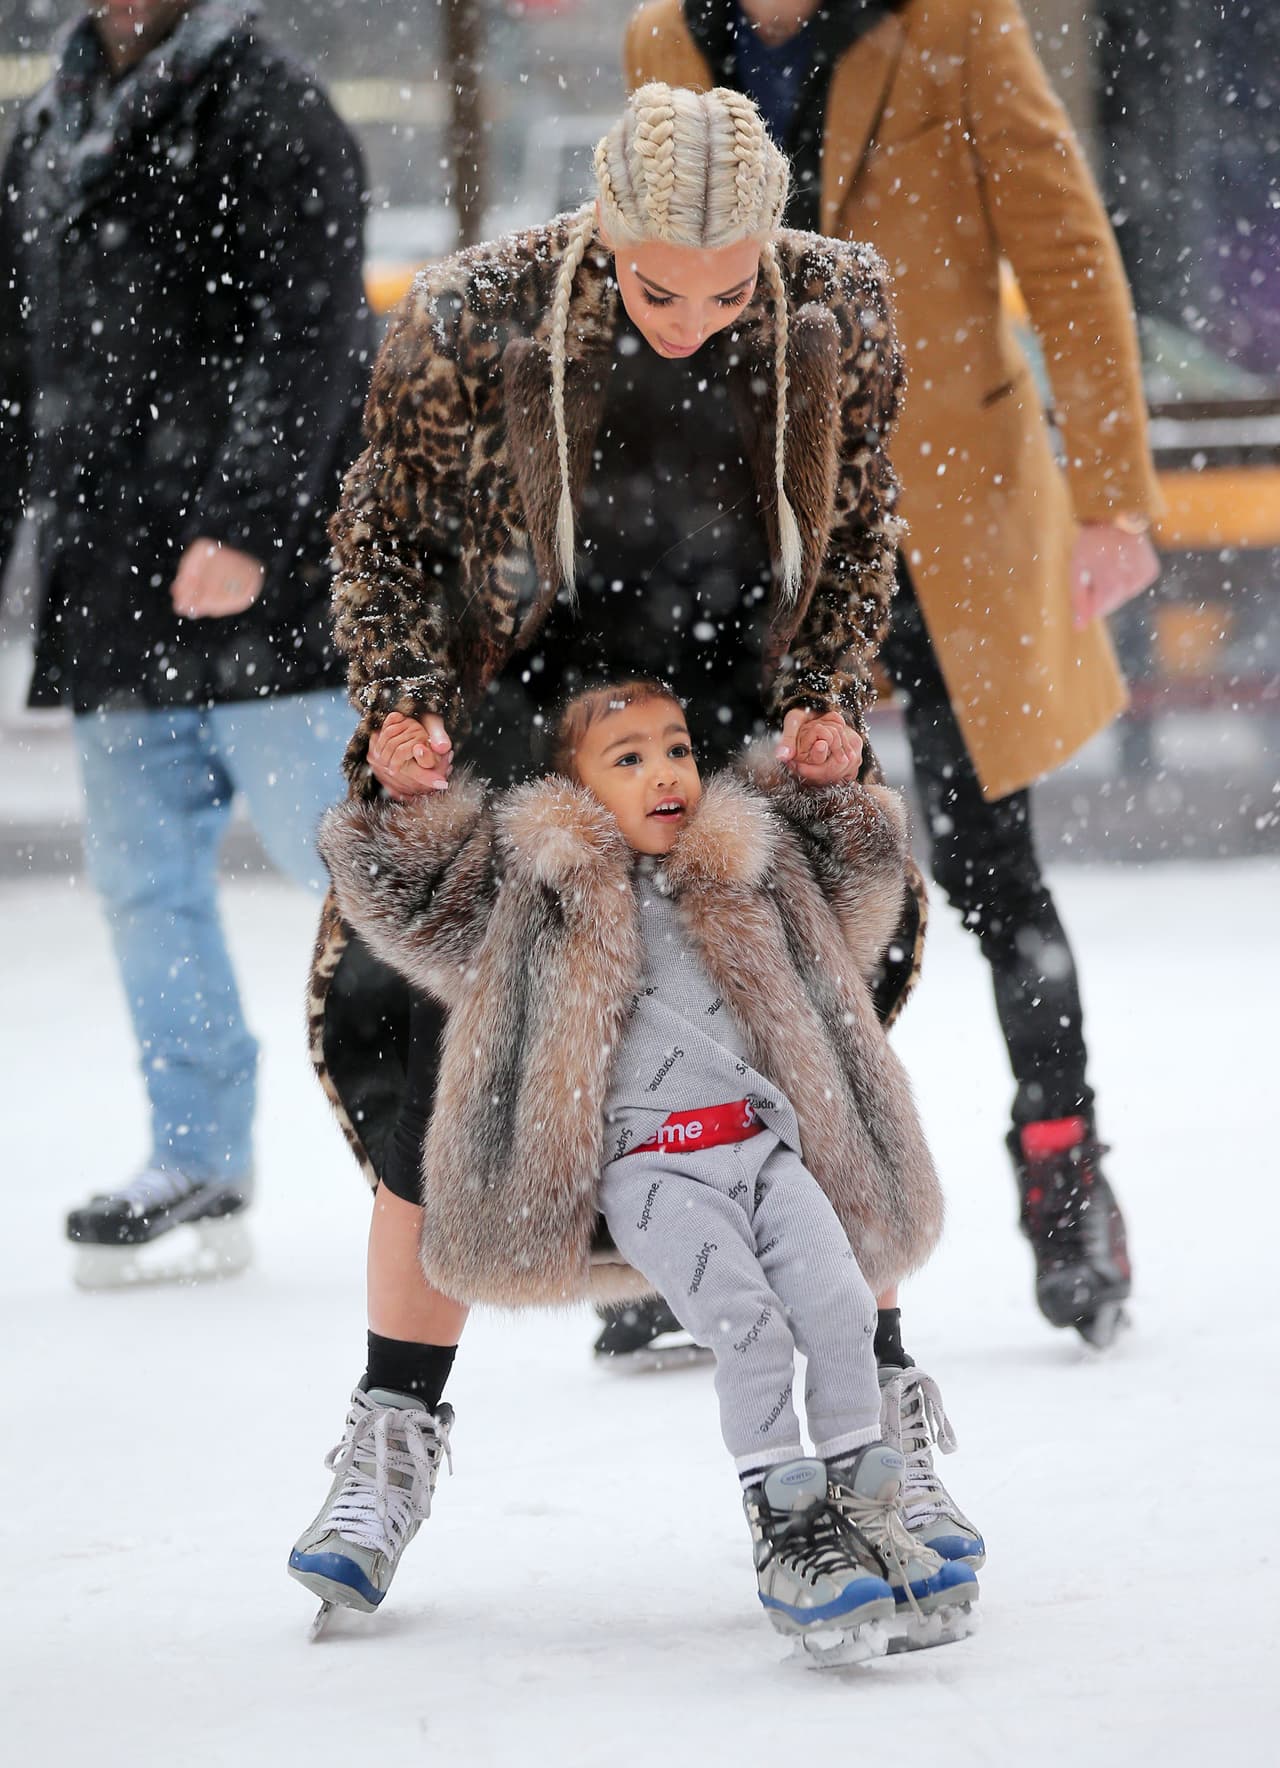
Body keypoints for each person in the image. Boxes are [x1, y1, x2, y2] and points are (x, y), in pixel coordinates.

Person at [298, 81, 982, 1629]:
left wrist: (823, 699)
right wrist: (404, 705)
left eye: (727, 293)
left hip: (731, 710)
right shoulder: (479, 311)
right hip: (523, 707)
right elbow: (381, 536)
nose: (692, 323)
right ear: (604, 232)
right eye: (659, 290)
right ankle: (393, 1426)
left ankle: (881, 1429)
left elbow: (854, 531)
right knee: (443, 1059)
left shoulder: (834, 305)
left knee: (815, 1051)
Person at [624, 0, 1163, 1348]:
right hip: (748, 532)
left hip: (948, 515)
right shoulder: (664, 43)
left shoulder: (956, 25)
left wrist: (1113, 498)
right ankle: (704, 1209)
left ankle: (1062, 1168)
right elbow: (628, 288)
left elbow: (1065, 251)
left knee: (990, 865)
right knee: (723, 874)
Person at [297, 676, 979, 1654]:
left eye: (676, 754)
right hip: (654, 1160)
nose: (665, 775)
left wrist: (823, 763)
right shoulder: (530, 879)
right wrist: (406, 787)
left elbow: (850, 899)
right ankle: (781, 1523)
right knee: (449, 1102)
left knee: (837, 1269)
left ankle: (873, 1488)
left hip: (757, 1139)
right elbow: (414, 905)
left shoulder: (744, 848)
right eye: (632, 761)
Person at [0, 1, 373, 1283]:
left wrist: (247, 524)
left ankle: (475, 1137)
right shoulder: (44, 126)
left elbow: (313, 337)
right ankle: (196, 1153)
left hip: (266, 597)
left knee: (368, 883)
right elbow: (14, 371)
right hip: (112, 589)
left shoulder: (271, 107)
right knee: (143, 885)